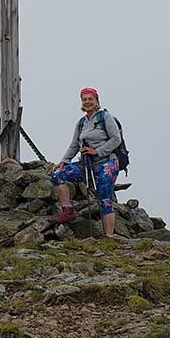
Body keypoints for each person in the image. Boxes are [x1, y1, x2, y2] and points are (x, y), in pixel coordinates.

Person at [50, 87, 123, 237]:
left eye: (90, 99)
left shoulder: (105, 117)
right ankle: (68, 210)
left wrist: (97, 151)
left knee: (104, 198)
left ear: (97, 101)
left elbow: (116, 139)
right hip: (86, 164)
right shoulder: (81, 123)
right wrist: (64, 161)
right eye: (84, 99)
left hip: (107, 163)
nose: (87, 102)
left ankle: (108, 237)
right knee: (57, 174)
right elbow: (74, 145)